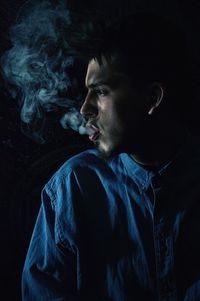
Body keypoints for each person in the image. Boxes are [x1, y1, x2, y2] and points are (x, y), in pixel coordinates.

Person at [22, 12, 200, 301]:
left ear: (152, 98)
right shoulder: (72, 187)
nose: (84, 110)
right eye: (86, 93)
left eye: (101, 92)